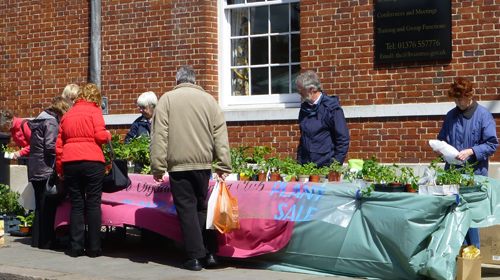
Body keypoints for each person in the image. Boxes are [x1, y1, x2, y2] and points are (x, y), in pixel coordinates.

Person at [150, 66, 232, 271]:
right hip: (203, 164)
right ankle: (211, 253)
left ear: (176, 81)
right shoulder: (209, 101)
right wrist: (223, 164)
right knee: (201, 207)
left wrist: (158, 166)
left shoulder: (167, 100)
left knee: (187, 210)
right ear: (195, 82)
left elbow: (159, 136)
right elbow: (220, 134)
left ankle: (195, 257)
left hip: (178, 164)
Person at [436, 77, 498, 249]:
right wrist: (441, 150)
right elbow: (442, 140)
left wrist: (471, 151)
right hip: (453, 174)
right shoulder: (451, 115)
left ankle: (472, 257)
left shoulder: (483, 115)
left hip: (475, 175)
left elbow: (492, 144)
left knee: (470, 217)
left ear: (470, 96)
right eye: (455, 99)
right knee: (454, 215)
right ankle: (457, 257)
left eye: (460, 99)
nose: (458, 103)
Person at [55, 83, 111, 258]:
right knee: (93, 203)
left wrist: (60, 168)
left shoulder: (68, 114)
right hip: (92, 161)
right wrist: (108, 135)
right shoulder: (95, 111)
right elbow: (100, 137)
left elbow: (59, 145)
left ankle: (76, 248)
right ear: (95, 99)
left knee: (77, 204)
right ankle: (94, 248)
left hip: (71, 162)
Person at [28, 97, 73, 249]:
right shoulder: (51, 122)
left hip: (35, 168)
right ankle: (48, 242)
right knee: (47, 207)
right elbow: (50, 146)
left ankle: (37, 240)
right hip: (45, 168)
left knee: (40, 207)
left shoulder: (40, 119)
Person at [295, 70, 350, 167]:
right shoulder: (304, 109)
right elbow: (303, 139)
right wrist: (299, 162)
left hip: (325, 166)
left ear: (311, 89)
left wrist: (335, 166)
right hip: (306, 166)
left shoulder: (332, 108)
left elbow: (343, 139)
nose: (299, 93)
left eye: (301, 90)